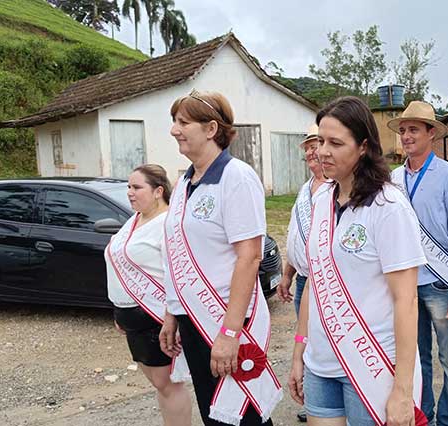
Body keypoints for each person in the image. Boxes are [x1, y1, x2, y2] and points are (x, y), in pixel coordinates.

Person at [287, 96, 427, 426]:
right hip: (321, 364)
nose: (322, 151)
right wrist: (299, 352)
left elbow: (406, 300)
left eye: (335, 143)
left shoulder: (388, 207)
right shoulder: (322, 199)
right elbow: (315, 282)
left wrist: (402, 390)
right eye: (320, 140)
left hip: (371, 363)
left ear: (363, 147)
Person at [160, 90, 280, 426]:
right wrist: (173, 313)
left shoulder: (236, 177)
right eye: (174, 122)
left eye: (183, 122)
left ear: (211, 128)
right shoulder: (185, 181)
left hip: (226, 320)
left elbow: (249, 257)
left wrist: (230, 333)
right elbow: (176, 251)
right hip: (193, 318)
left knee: (242, 413)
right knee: (217, 416)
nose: (174, 130)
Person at [389, 101, 448, 426]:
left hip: (442, 284)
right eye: (403, 131)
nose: (407, 136)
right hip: (405, 286)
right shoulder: (393, 178)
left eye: (414, 130)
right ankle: (422, 416)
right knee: (414, 361)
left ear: (431, 134)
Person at [105, 164, 192, 426]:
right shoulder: (134, 220)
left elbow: (176, 275)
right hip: (131, 318)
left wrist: (171, 319)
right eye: (128, 187)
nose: (130, 193)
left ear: (158, 191)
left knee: (169, 384)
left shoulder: (168, 224)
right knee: (159, 384)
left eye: (137, 187)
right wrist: (119, 312)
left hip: (156, 317)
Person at [275, 124, 327, 423]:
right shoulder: (305, 189)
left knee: (324, 341)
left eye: (315, 145)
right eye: (307, 146)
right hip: (304, 280)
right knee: (306, 340)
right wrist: (286, 275)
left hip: (327, 283)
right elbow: (295, 235)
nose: (310, 151)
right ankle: (312, 399)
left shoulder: (335, 187)